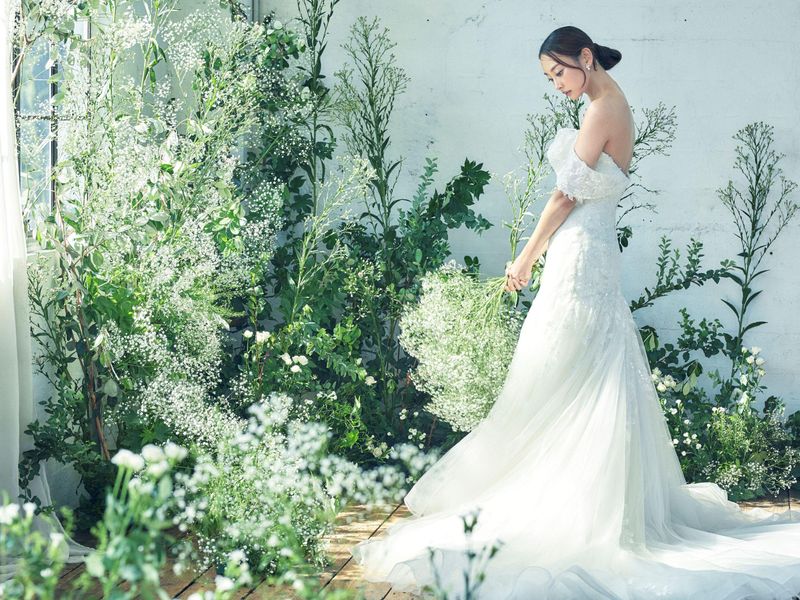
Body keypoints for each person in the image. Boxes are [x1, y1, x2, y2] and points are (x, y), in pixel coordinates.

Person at [350, 25, 800, 599]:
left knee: (562, 367)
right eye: (549, 78)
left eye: (559, 72)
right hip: (588, 250)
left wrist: (525, 257)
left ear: (585, 57)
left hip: (582, 252)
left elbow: (565, 196)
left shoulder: (603, 108)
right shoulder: (605, 103)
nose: (557, 84)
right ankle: (573, 493)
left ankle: (574, 507)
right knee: (576, 370)